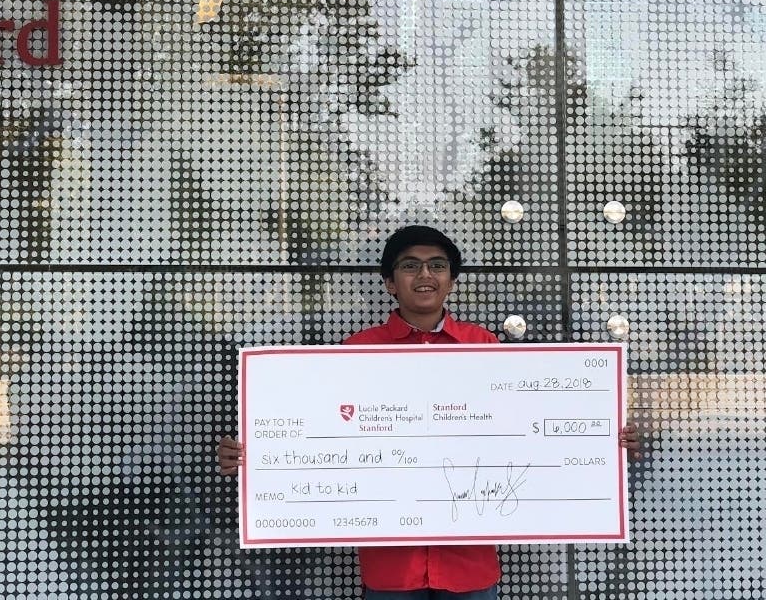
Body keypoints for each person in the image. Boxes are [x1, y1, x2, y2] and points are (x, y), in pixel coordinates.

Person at [217, 225, 642, 600]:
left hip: (469, 564)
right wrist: (255, 459)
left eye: (437, 266)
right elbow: (317, 439)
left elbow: (529, 433)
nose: (425, 275)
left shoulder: (487, 348)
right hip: (391, 568)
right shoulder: (353, 353)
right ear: (389, 283)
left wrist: (605, 441)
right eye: (410, 266)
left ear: (451, 281)